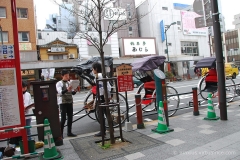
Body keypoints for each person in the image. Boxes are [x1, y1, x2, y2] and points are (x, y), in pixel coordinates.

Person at [92, 62, 111, 137]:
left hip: (101, 97)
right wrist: (109, 95)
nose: (92, 70)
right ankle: (110, 127)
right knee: (106, 113)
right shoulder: (103, 75)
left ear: (96, 69)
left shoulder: (98, 76)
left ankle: (102, 131)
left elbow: (100, 87)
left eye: (93, 69)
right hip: (104, 96)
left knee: (101, 115)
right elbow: (108, 86)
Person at [56, 69, 77, 137]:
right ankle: (60, 133)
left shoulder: (69, 83)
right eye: (66, 76)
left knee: (70, 117)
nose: (67, 77)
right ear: (62, 76)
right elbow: (60, 92)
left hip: (70, 101)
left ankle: (69, 132)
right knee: (63, 118)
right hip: (63, 102)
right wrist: (67, 89)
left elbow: (72, 93)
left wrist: (75, 90)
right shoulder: (59, 83)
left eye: (68, 75)